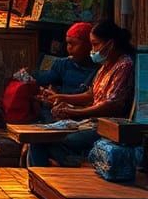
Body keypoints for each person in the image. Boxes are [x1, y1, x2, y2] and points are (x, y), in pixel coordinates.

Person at [27, 19, 136, 167]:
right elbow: (92, 94)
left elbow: (111, 105)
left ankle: (78, 165)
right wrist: (61, 98)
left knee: (56, 142)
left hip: (106, 127)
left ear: (110, 44)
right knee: (36, 140)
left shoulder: (125, 65)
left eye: (95, 44)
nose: (93, 49)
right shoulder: (105, 65)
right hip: (90, 122)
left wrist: (76, 112)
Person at [33, 22, 96, 115]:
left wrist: (60, 97)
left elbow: (91, 98)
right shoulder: (63, 64)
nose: (69, 48)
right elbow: (42, 79)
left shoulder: (100, 69)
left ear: (89, 45)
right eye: (68, 43)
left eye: (73, 44)